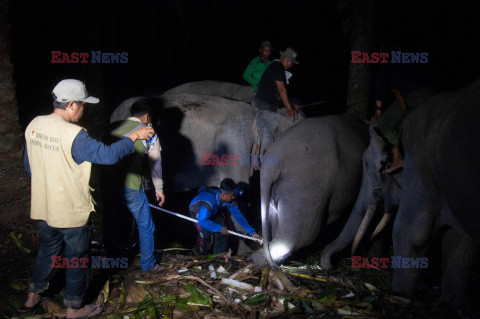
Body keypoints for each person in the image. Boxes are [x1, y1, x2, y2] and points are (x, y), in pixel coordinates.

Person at [22, 79, 154, 318]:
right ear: (71, 104)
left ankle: (33, 296)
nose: (84, 110)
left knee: (47, 250)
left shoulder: (34, 125)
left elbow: (29, 165)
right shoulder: (75, 135)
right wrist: (134, 137)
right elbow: (108, 155)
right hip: (71, 211)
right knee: (77, 258)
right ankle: (74, 308)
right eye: (82, 105)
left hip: (43, 207)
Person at [111, 100, 165, 271]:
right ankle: (148, 264)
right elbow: (155, 164)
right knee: (146, 225)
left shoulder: (115, 129)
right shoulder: (149, 132)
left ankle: (115, 261)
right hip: (132, 186)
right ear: (147, 116)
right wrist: (159, 189)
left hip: (111, 186)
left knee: (117, 222)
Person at [371, 54, 433, 173]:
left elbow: (381, 82)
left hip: (412, 95)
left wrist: (378, 109)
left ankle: (397, 158)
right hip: (428, 91)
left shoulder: (387, 53)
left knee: (384, 124)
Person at [189, 178, 262, 255]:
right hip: (198, 212)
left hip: (214, 212)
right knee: (206, 236)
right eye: (232, 195)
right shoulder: (209, 202)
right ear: (224, 195)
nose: (234, 197)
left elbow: (238, 216)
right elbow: (202, 221)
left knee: (223, 234)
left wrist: (252, 232)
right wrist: (219, 228)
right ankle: (201, 258)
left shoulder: (229, 201)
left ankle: (217, 258)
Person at [252, 47, 299, 118]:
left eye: (291, 63)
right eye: (288, 61)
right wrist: (289, 109)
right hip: (263, 103)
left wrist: (291, 104)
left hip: (267, 103)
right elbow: (281, 89)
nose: (289, 64)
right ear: (282, 57)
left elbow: (278, 92)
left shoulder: (277, 67)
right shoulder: (277, 66)